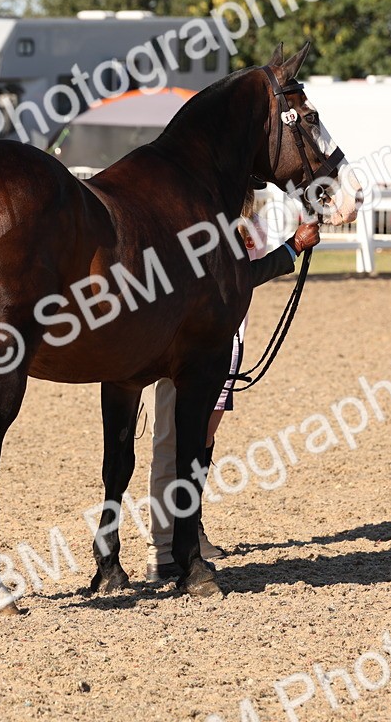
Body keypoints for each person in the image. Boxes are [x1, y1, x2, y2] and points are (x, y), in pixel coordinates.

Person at [146, 203, 320, 583]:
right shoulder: (209, 212)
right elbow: (242, 275)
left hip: (222, 336)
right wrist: (292, 249)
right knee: (175, 441)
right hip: (198, 339)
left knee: (200, 438)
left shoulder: (247, 213)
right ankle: (165, 545)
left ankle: (189, 528)